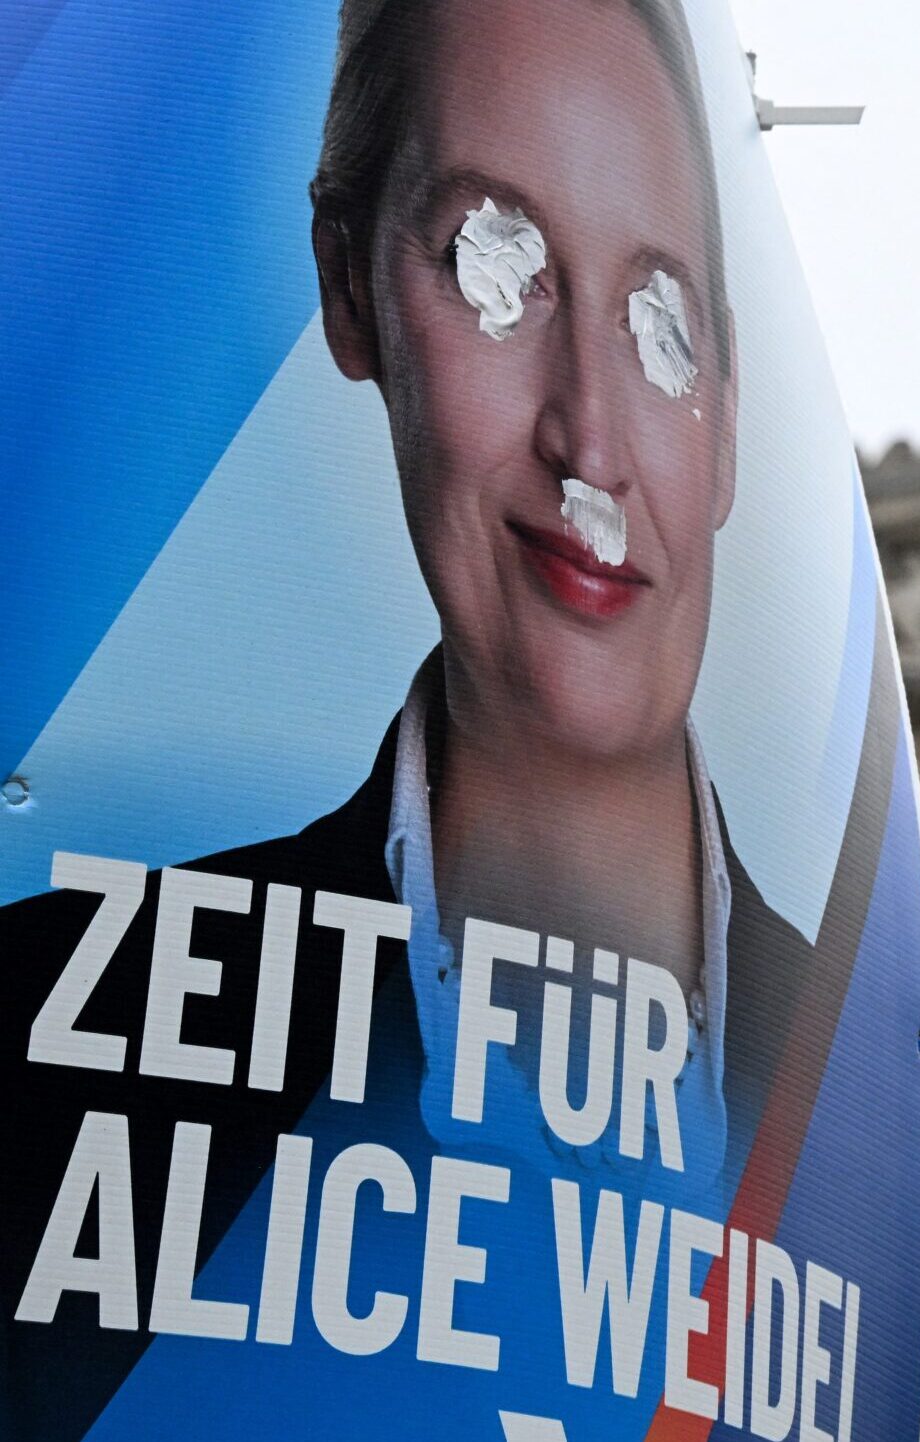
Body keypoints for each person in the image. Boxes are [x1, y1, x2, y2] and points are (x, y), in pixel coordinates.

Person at [1, 1, 821, 1430]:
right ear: (349, 282)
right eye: (496, 264)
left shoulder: (844, 1080)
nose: (592, 439)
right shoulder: (53, 1016)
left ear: (736, 404)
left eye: (662, 322)